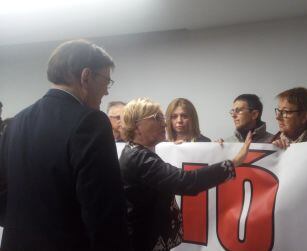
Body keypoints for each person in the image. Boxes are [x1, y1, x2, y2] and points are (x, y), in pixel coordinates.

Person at [0, 39, 129, 250]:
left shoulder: (16, 122)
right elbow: (105, 211)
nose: (106, 92)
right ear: (86, 76)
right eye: (107, 81)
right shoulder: (91, 122)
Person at [119, 98, 252, 251]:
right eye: (157, 118)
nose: (164, 123)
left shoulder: (137, 152)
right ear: (137, 126)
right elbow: (185, 181)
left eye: (162, 118)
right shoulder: (139, 157)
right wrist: (233, 162)